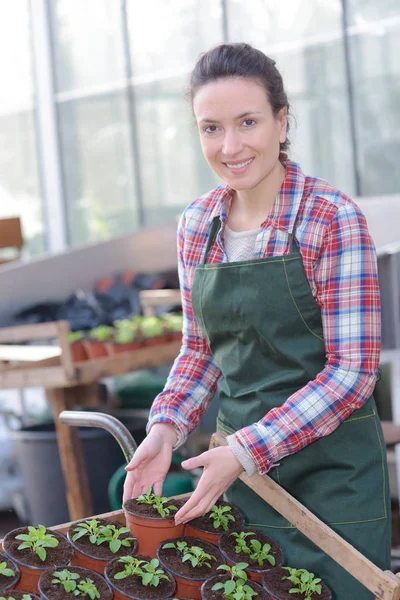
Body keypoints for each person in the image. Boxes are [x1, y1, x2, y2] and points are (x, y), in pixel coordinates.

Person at [123, 42, 390, 599]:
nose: (231, 146)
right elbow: (200, 350)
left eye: (248, 122)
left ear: (282, 120)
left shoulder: (331, 218)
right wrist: (165, 428)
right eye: (211, 128)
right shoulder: (198, 224)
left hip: (332, 480)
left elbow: (352, 374)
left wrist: (245, 450)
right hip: (243, 480)